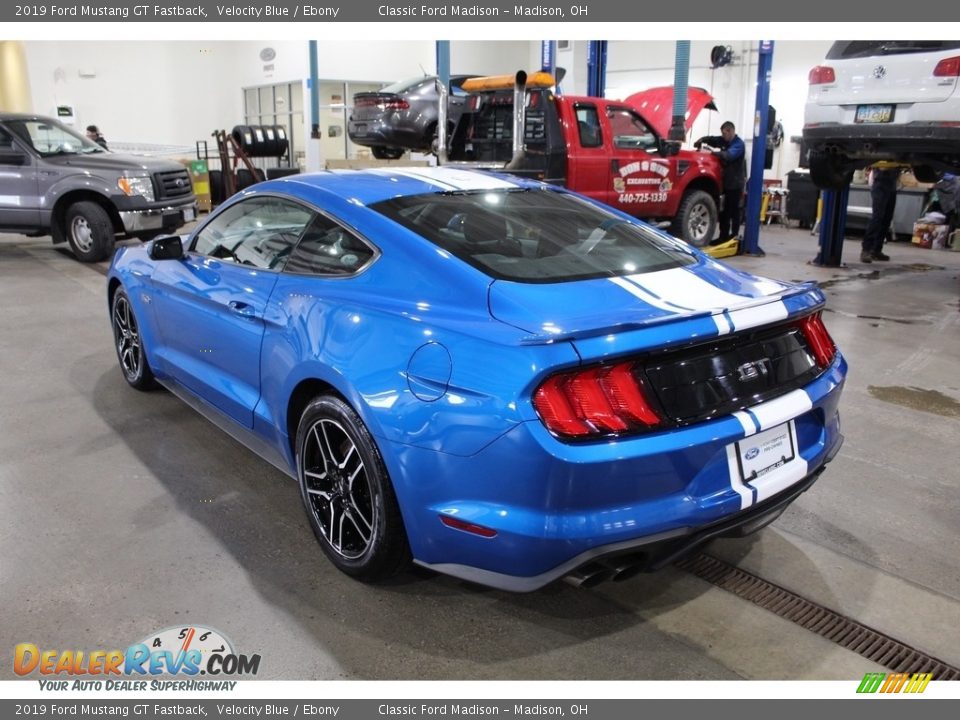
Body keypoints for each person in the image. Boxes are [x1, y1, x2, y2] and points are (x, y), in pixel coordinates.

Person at [695, 121, 746, 243]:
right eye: (722, 134)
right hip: (725, 183)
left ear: (731, 131)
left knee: (734, 211)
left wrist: (711, 153)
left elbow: (728, 155)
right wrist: (702, 140)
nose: (723, 136)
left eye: (724, 133)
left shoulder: (738, 144)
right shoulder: (723, 140)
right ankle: (723, 237)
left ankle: (733, 237)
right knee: (724, 212)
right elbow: (713, 139)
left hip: (735, 184)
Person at [861, 163, 902, 263]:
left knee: (887, 218)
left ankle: (876, 250)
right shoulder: (885, 154)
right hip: (880, 184)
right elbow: (881, 166)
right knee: (878, 217)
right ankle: (866, 250)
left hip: (892, 185)